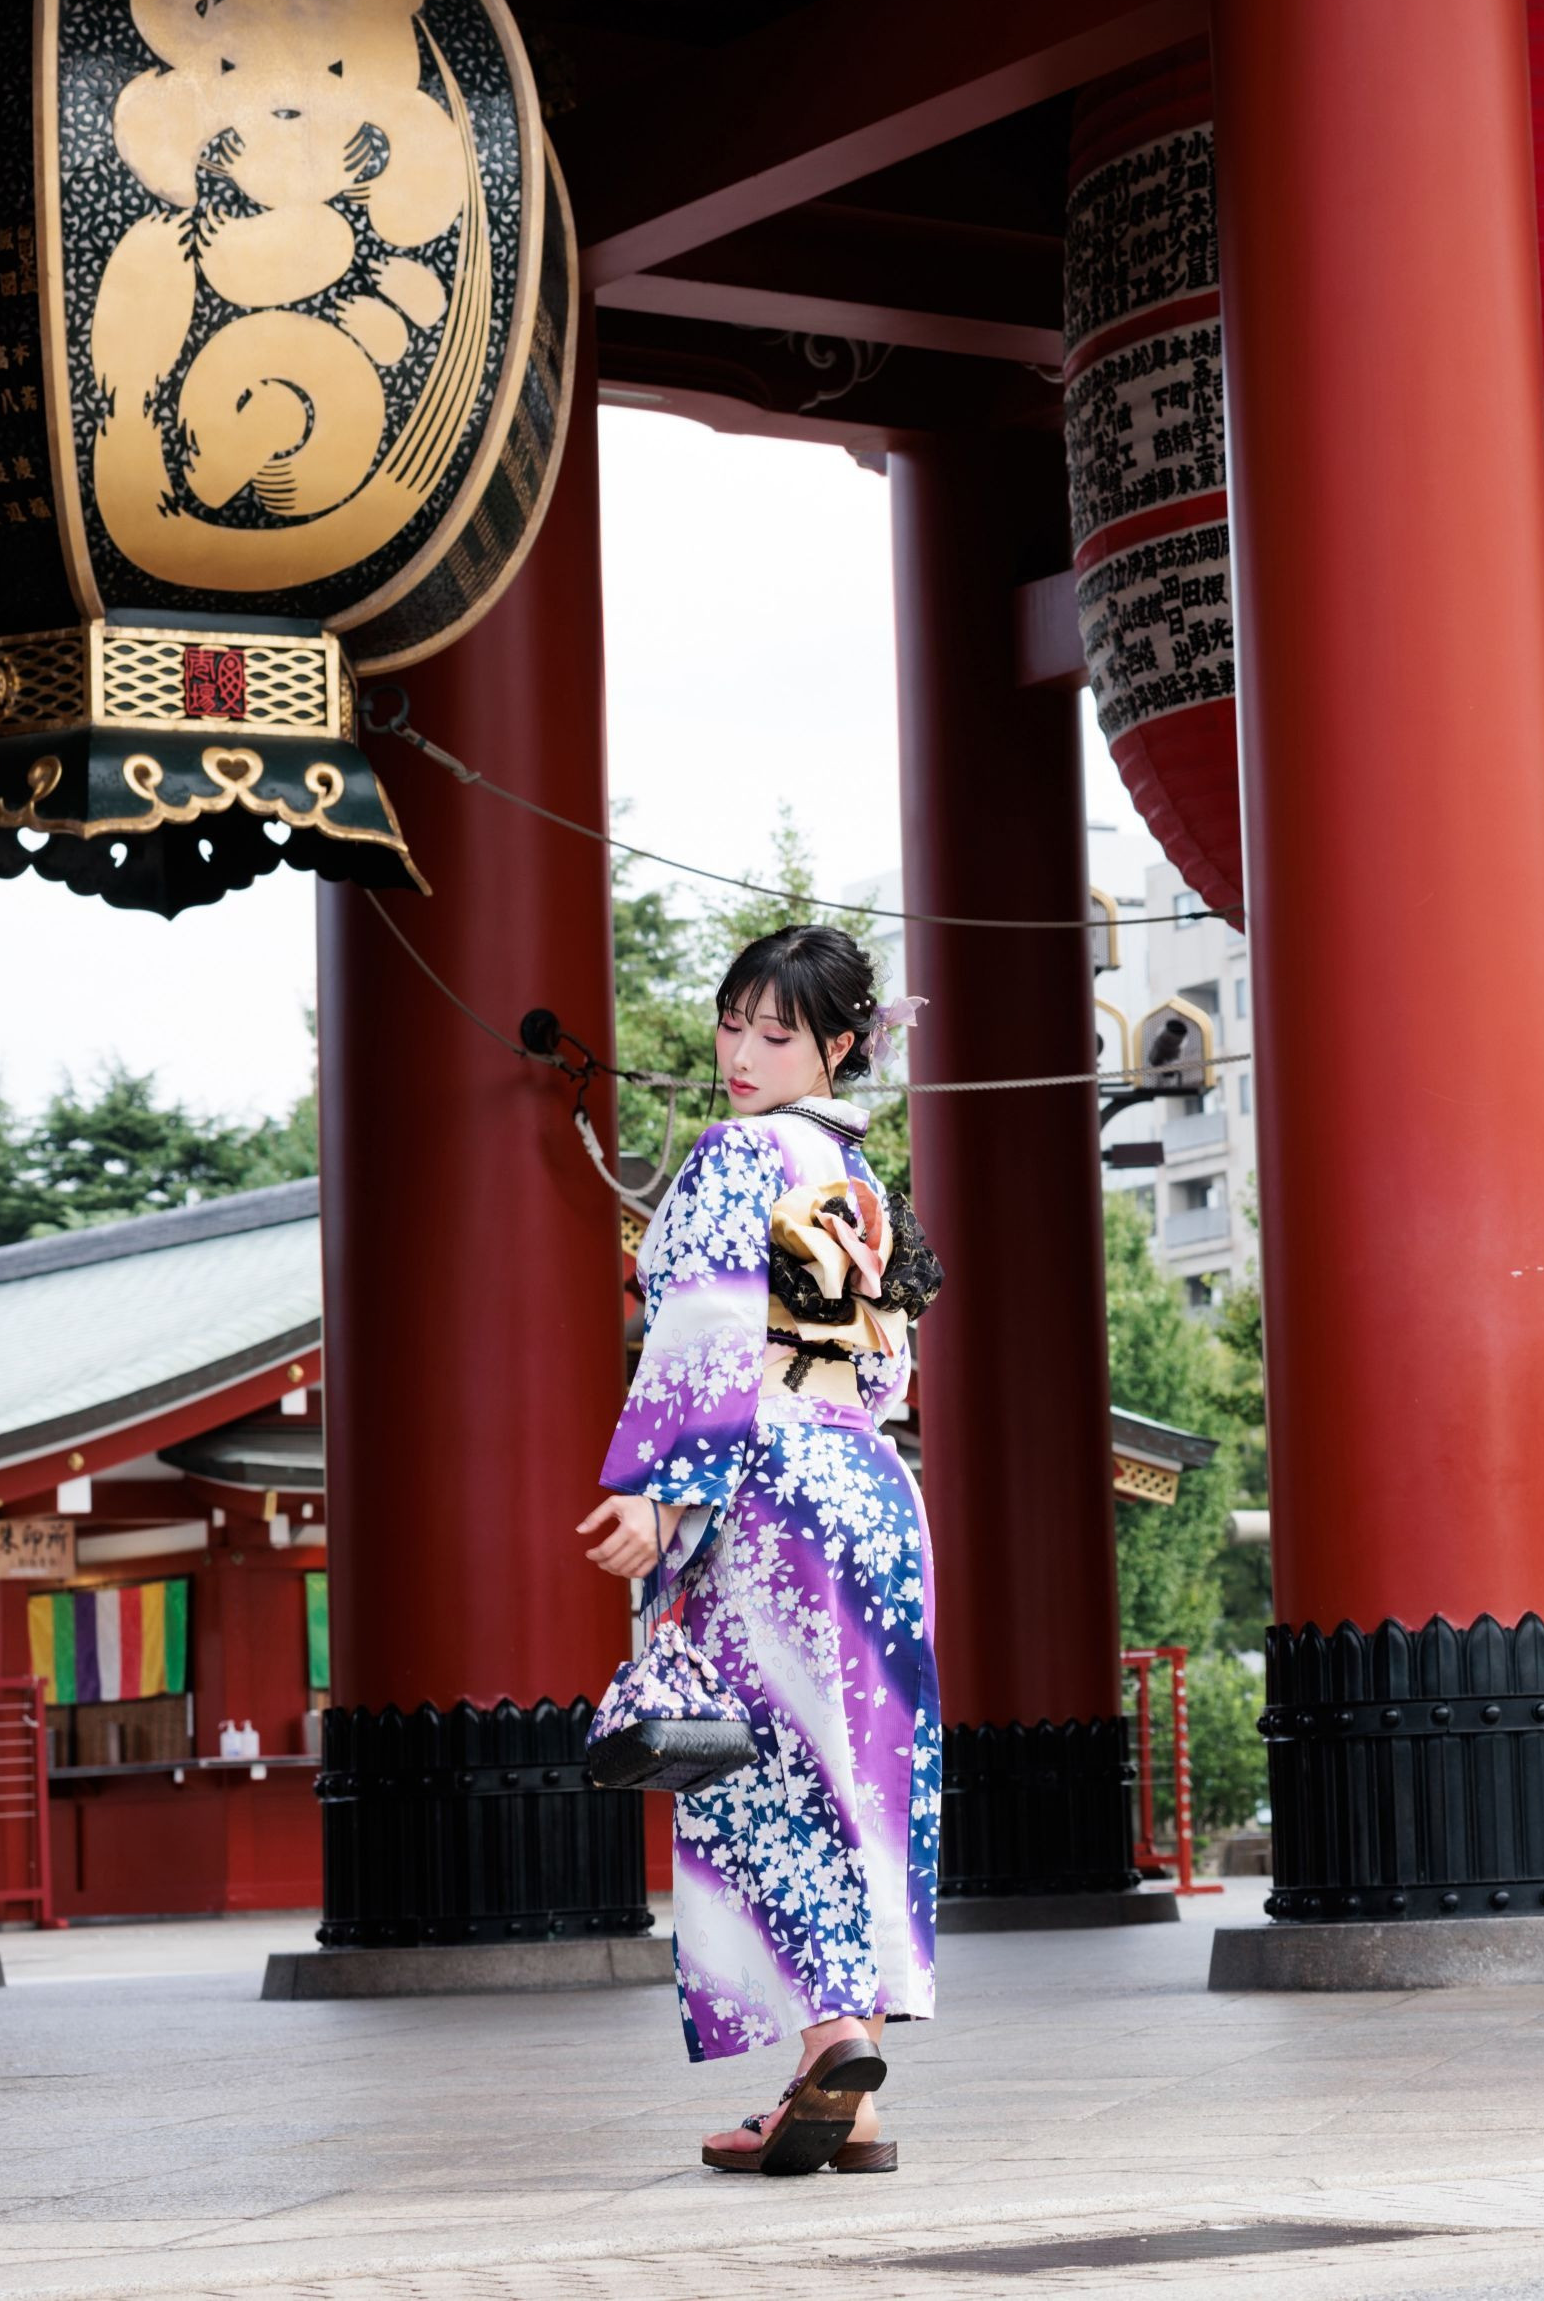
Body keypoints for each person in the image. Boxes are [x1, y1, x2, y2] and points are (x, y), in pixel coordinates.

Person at [577, 924, 937, 2179]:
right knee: (858, 1773)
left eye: (775, 1033)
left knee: (756, 1771)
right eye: (732, 1023)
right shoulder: (860, 1179)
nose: (739, 1052)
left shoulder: (736, 1154)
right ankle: (846, 2092)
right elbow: (890, 1362)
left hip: (767, 1489)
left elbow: (711, 1329)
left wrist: (660, 1497)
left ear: (838, 1043)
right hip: (874, 1489)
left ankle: (835, 2031)